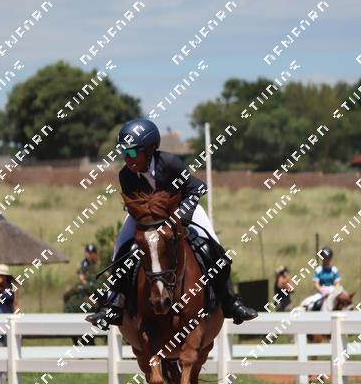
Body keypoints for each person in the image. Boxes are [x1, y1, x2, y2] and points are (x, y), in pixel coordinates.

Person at [86, 118, 257, 330]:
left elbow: (196, 189)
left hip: (183, 208)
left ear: (150, 149)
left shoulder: (169, 163)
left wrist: (179, 219)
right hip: (146, 217)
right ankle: (114, 304)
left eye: (132, 152)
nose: (127, 158)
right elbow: (134, 205)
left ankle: (231, 302)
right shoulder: (125, 175)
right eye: (124, 152)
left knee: (213, 247)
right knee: (120, 250)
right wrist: (147, 225)